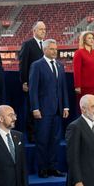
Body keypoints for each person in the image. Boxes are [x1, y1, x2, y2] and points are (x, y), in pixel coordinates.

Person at [28, 38, 69, 178]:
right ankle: (42, 168)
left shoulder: (59, 65)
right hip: (43, 110)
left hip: (57, 110)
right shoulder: (37, 65)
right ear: (45, 50)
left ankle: (52, 167)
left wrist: (66, 106)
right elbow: (33, 89)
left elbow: (63, 88)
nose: (55, 51)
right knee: (42, 140)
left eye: (56, 48)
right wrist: (35, 108)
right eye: (52, 49)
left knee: (55, 140)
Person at [18, 21, 48, 142]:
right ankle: (32, 135)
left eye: (44, 29)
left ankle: (42, 133)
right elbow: (23, 64)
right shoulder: (28, 44)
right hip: (32, 83)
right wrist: (24, 81)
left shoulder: (46, 45)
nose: (43, 31)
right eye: (41, 29)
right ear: (34, 31)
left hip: (45, 84)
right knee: (32, 109)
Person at [72, 30, 94, 106]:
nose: (92, 40)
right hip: (84, 87)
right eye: (89, 38)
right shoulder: (79, 53)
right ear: (84, 40)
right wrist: (77, 86)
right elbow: (77, 70)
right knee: (85, 107)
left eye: (92, 38)